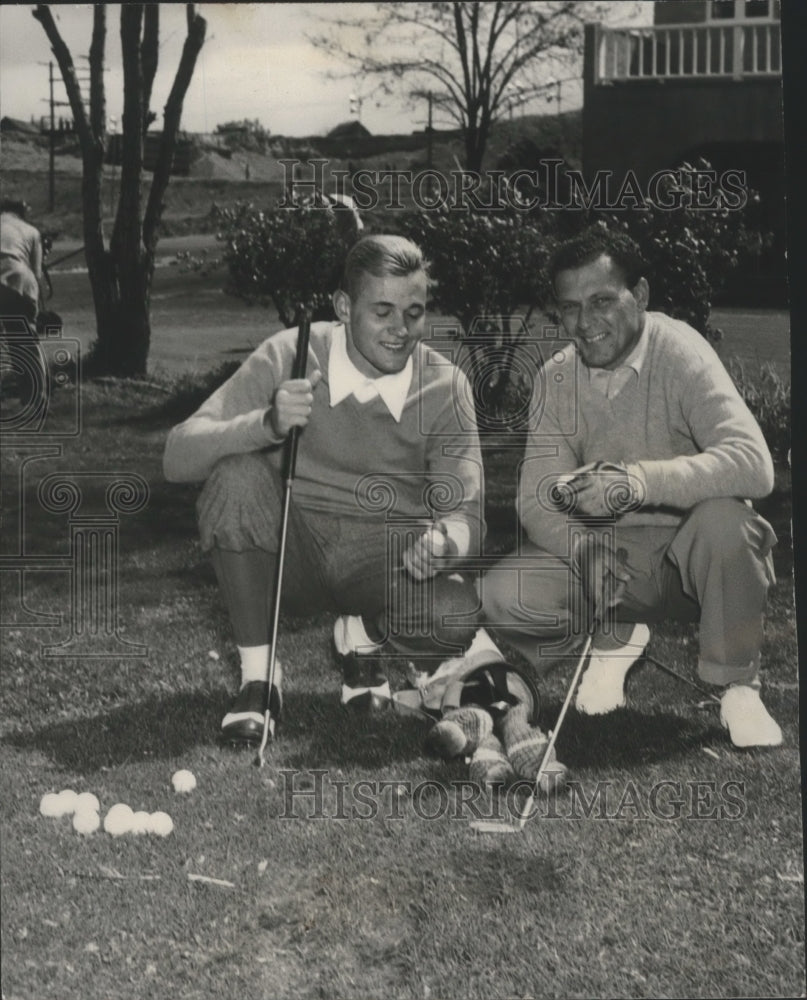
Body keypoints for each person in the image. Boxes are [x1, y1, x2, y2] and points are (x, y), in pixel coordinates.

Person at [164, 234, 496, 744]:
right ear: (343, 306)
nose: (400, 330)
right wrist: (267, 425)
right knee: (236, 478)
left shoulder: (444, 384)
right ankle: (260, 680)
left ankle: (361, 638)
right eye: (381, 310)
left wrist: (448, 540)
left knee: (452, 616)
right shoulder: (291, 353)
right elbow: (177, 455)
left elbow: (468, 512)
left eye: (414, 312)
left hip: (380, 556)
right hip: (290, 551)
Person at [480, 227, 782, 749]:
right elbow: (532, 498)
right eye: (570, 307)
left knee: (726, 522)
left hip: (695, 565)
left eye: (602, 301)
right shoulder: (556, 379)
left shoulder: (681, 352)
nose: (585, 323)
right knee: (503, 593)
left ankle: (738, 686)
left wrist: (637, 481)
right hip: (612, 560)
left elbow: (756, 466)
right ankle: (615, 640)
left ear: (638, 296)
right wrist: (582, 547)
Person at [0, 199, 47, 406]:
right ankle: (36, 400)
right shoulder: (31, 231)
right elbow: (37, 273)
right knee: (25, 342)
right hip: (19, 280)